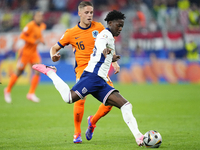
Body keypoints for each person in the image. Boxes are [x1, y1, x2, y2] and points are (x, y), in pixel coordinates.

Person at [32, 10, 144, 147]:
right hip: (91, 77)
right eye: (118, 25)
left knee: (126, 105)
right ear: (110, 23)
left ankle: (139, 137)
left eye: (122, 26)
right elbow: (102, 45)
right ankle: (50, 72)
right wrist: (105, 52)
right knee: (69, 98)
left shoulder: (109, 36)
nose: (120, 29)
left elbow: (103, 50)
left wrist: (111, 58)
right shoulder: (104, 35)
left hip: (100, 81)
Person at [43, 1, 120, 143]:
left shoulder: (99, 27)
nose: (90, 15)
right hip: (83, 71)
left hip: (99, 71)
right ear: (79, 13)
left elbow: (109, 45)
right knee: (79, 100)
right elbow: (54, 48)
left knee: (110, 103)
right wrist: (53, 56)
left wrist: (114, 62)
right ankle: (77, 132)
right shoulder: (71, 33)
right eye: (86, 12)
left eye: (91, 12)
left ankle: (92, 122)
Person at [4, 11, 46, 103]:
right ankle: (7, 90)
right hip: (25, 52)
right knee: (19, 72)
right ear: (34, 17)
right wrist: (33, 41)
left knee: (38, 70)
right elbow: (22, 36)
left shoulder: (43, 26)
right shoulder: (30, 25)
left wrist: (42, 40)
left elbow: (39, 36)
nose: (40, 18)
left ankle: (31, 93)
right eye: (38, 16)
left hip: (34, 53)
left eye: (41, 16)